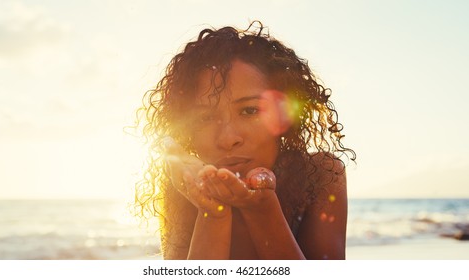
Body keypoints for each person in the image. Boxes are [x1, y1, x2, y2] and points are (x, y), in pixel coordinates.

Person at [134, 21, 356, 260]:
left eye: (249, 111)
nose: (228, 138)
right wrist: (212, 211)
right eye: (206, 118)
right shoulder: (184, 185)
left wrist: (262, 209)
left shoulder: (319, 176)